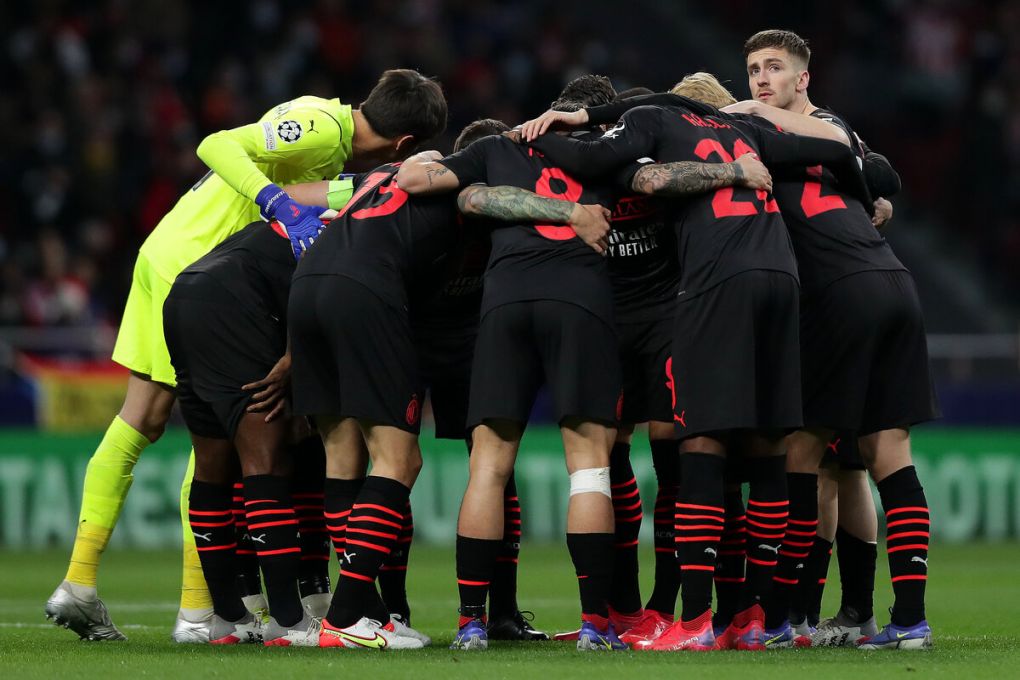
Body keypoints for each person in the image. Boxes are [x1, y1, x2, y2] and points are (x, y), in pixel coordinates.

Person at [45, 69, 448, 642]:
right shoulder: (321, 122)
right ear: (405, 143)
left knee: (147, 419)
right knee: (220, 435)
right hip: (194, 263)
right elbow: (218, 144)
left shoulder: (339, 159)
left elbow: (337, 193)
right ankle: (194, 612)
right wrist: (275, 202)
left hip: (185, 262)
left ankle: (84, 585)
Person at [518, 76, 872, 651]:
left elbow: (603, 155)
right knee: (767, 451)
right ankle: (757, 617)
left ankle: (696, 621)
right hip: (783, 280)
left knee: (701, 448)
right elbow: (837, 149)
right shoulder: (748, 127)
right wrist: (867, 200)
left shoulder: (656, 121)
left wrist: (548, 129)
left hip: (716, 285)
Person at [288, 117, 612, 650]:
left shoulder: (389, 179)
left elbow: (307, 195)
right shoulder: (465, 191)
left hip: (334, 293)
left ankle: (422, 612)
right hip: (402, 318)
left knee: (360, 457)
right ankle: (361, 614)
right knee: (443, 462)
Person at [396, 75, 636, 652]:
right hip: (580, 302)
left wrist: (431, 155)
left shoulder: (498, 146)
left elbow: (413, 179)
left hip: (503, 306)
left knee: (488, 468)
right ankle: (596, 626)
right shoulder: (611, 150)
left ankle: (471, 622)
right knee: (589, 469)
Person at [727, 29, 938, 650]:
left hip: (841, 293)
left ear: (803, 80)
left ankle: (786, 615)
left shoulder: (781, 131)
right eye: (753, 70)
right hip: (894, 284)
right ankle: (906, 620)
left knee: (802, 452)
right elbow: (880, 171)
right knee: (879, 453)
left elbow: (880, 169)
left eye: (774, 68)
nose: (761, 80)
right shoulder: (822, 140)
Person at [412, 119, 550, 642]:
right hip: (417, 342)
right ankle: (396, 611)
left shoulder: (508, 215)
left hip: (473, 345)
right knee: (398, 470)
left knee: (496, 472)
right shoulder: (428, 209)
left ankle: (502, 614)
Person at [163, 218, 327, 646]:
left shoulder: (331, 205)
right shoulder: (366, 219)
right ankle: (289, 622)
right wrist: (294, 356)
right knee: (265, 461)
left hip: (184, 294)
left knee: (212, 465)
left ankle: (228, 617)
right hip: (236, 302)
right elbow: (314, 273)